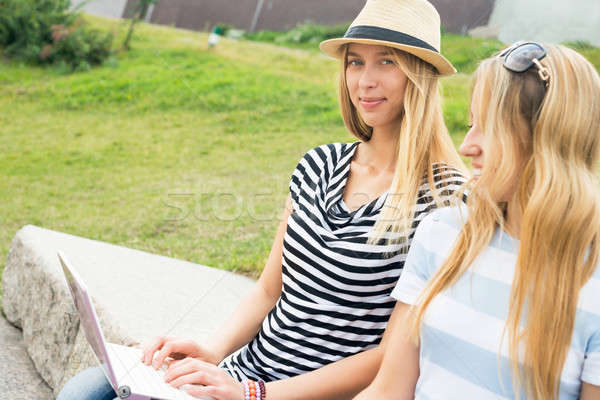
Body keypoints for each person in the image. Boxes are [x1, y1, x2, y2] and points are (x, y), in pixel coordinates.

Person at [57, 0, 466, 399]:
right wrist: (213, 352)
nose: (364, 80)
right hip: (244, 374)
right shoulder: (318, 164)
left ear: (420, 75)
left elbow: (390, 358)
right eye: (355, 62)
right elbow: (269, 290)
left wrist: (256, 394)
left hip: (298, 393)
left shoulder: (444, 200)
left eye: (386, 61)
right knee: (88, 388)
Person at [355, 42, 600, 400]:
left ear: (548, 139)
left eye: (488, 127)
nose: (467, 146)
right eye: (471, 124)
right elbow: (388, 390)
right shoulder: (442, 232)